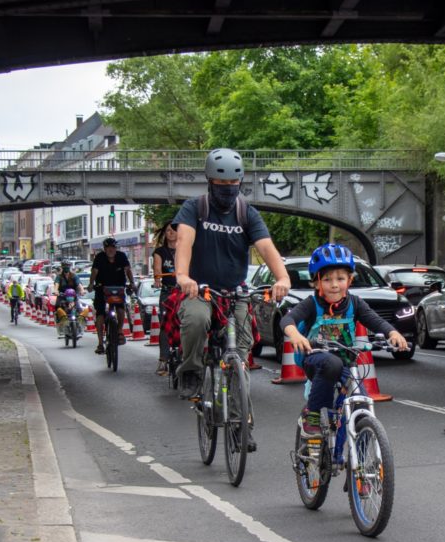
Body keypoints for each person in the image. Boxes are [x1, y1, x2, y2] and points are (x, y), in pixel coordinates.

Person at [172, 148, 291, 405]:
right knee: (195, 319)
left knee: (243, 345)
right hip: (199, 290)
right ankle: (191, 369)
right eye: (221, 182)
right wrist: (182, 276)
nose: (228, 188)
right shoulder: (195, 208)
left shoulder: (246, 213)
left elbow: (266, 247)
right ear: (210, 181)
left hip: (235, 292)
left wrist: (283, 278)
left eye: (233, 183)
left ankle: (239, 420)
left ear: (240, 181)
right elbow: (184, 240)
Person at [281, 243, 408, 441]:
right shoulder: (311, 304)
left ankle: (365, 460)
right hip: (315, 359)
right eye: (327, 279)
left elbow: (375, 320)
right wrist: (295, 335)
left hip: (346, 361)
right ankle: (312, 417)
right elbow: (287, 320)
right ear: (316, 283)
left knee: (362, 407)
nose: (334, 285)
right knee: (332, 363)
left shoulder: (355, 303)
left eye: (340, 278)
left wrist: (392, 333)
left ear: (349, 280)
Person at [90, 237, 135, 354]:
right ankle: (100, 343)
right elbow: (94, 272)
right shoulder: (99, 257)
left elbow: (128, 270)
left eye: (113, 247)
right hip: (102, 288)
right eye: (108, 248)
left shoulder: (121, 256)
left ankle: (119, 331)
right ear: (105, 249)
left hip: (118, 288)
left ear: (116, 248)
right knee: (100, 313)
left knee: (121, 309)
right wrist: (91, 284)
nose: (111, 250)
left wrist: (132, 283)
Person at [152, 221, 178, 376]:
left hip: (184, 292)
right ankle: (163, 360)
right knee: (165, 324)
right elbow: (157, 267)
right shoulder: (160, 251)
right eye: (168, 230)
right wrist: (157, 278)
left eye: (174, 230)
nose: (171, 233)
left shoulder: (186, 249)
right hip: (168, 292)